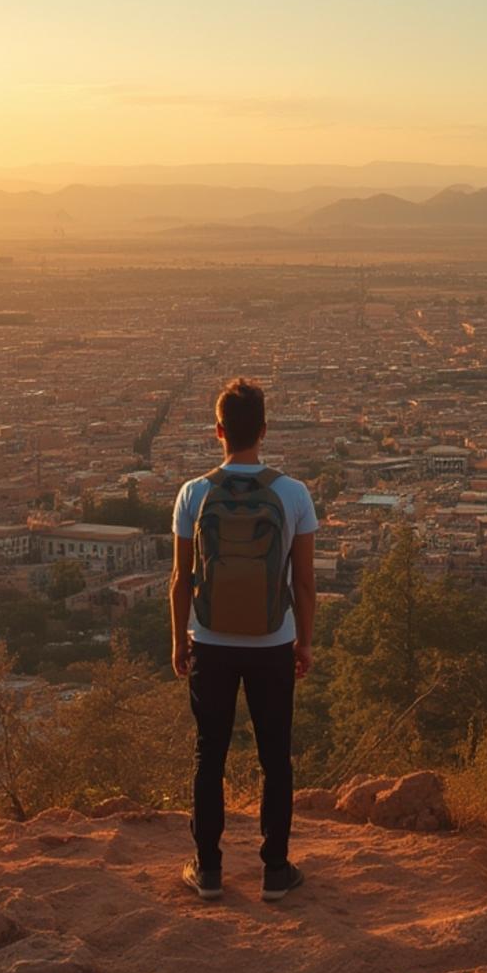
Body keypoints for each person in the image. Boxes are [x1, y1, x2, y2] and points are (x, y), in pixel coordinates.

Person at [170, 377, 317, 902]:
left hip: (209, 640)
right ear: (264, 429)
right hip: (273, 641)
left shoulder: (194, 492)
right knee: (275, 756)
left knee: (209, 755)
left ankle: (208, 869)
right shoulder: (292, 493)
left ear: (218, 432)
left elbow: (180, 578)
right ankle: (275, 869)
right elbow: (303, 581)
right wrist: (304, 642)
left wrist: (178, 641)